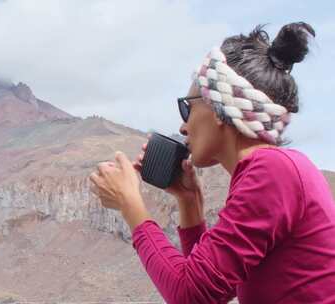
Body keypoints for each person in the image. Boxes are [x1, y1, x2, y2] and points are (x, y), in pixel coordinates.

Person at [89, 22, 335, 303]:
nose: (183, 127)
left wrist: (129, 203)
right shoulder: (275, 170)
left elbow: (190, 295)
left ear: (220, 108)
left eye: (188, 107)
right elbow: (206, 288)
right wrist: (190, 202)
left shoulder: (272, 171)